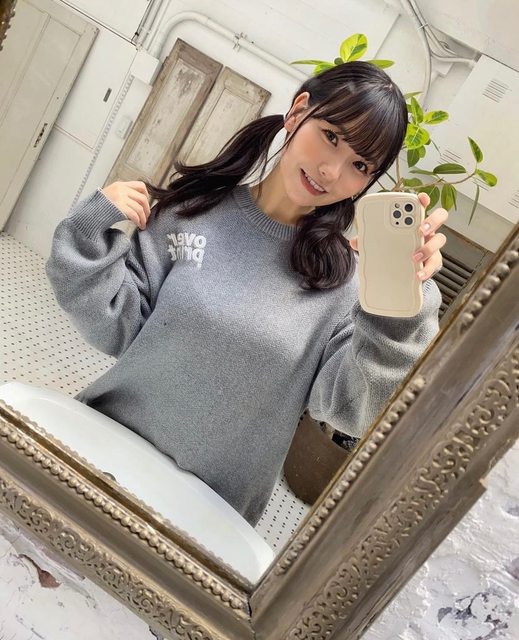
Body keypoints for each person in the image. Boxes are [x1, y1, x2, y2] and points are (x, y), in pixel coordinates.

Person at [46, 61, 447, 527]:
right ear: (297, 112)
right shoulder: (193, 211)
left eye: (360, 165)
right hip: (102, 456)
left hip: (204, 520)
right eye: (331, 136)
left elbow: (353, 409)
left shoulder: (346, 286)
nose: (330, 170)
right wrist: (92, 225)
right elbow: (113, 325)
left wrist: (401, 307)